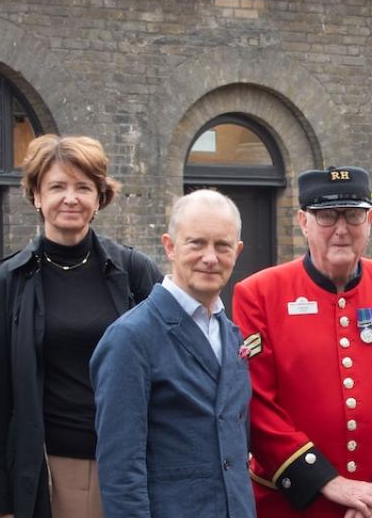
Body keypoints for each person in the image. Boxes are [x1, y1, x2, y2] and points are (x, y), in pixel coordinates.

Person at [232, 166, 372, 518]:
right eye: (327, 216)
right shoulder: (259, 294)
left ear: (371, 219)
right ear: (303, 222)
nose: (342, 229)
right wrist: (328, 482)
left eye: (354, 215)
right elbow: (257, 402)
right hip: (296, 504)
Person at [0, 134, 162, 518]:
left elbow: (170, 362)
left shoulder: (134, 272)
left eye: (83, 187)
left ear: (99, 198)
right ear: (36, 196)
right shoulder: (7, 283)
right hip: (53, 468)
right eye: (57, 186)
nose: (70, 198)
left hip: (134, 463)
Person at [91, 189, 253, 516]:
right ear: (170, 246)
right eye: (196, 243)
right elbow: (121, 465)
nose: (210, 257)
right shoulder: (131, 337)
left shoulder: (232, 335)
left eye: (222, 246)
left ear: (236, 252)